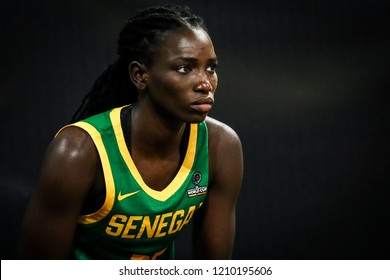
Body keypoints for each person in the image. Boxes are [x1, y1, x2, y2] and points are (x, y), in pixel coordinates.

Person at [18, 5, 243, 260]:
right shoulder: (79, 152)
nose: (205, 83)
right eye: (185, 68)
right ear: (140, 75)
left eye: (211, 68)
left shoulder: (221, 146)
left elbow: (214, 269)